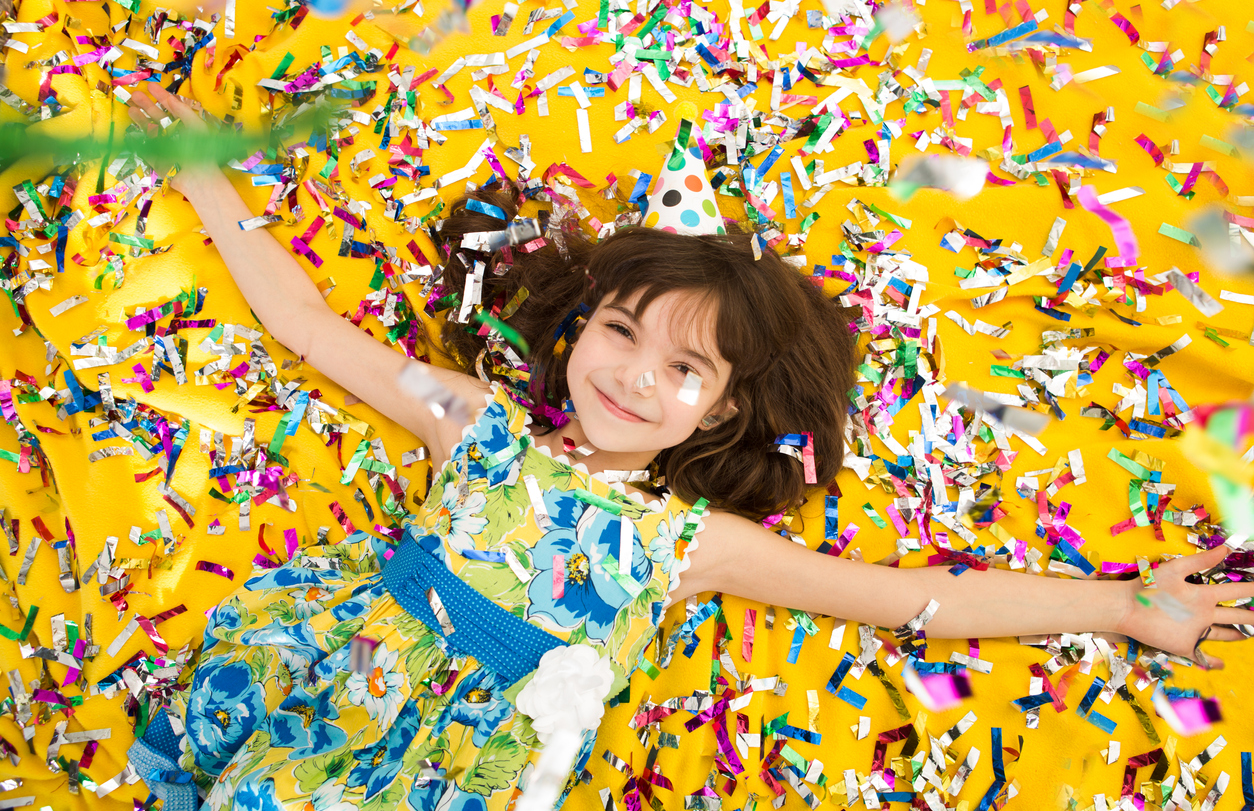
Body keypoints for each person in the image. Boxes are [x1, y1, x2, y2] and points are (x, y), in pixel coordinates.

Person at [122, 84, 1252, 811]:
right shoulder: (474, 421)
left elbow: (914, 600)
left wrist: (1120, 606)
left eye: (683, 368)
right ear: (576, 330)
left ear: (715, 412)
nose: (632, 374)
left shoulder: (688, 539)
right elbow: (311, 330)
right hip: (332, 687)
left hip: (474, 768)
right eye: (622, 331)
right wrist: (207, 180)